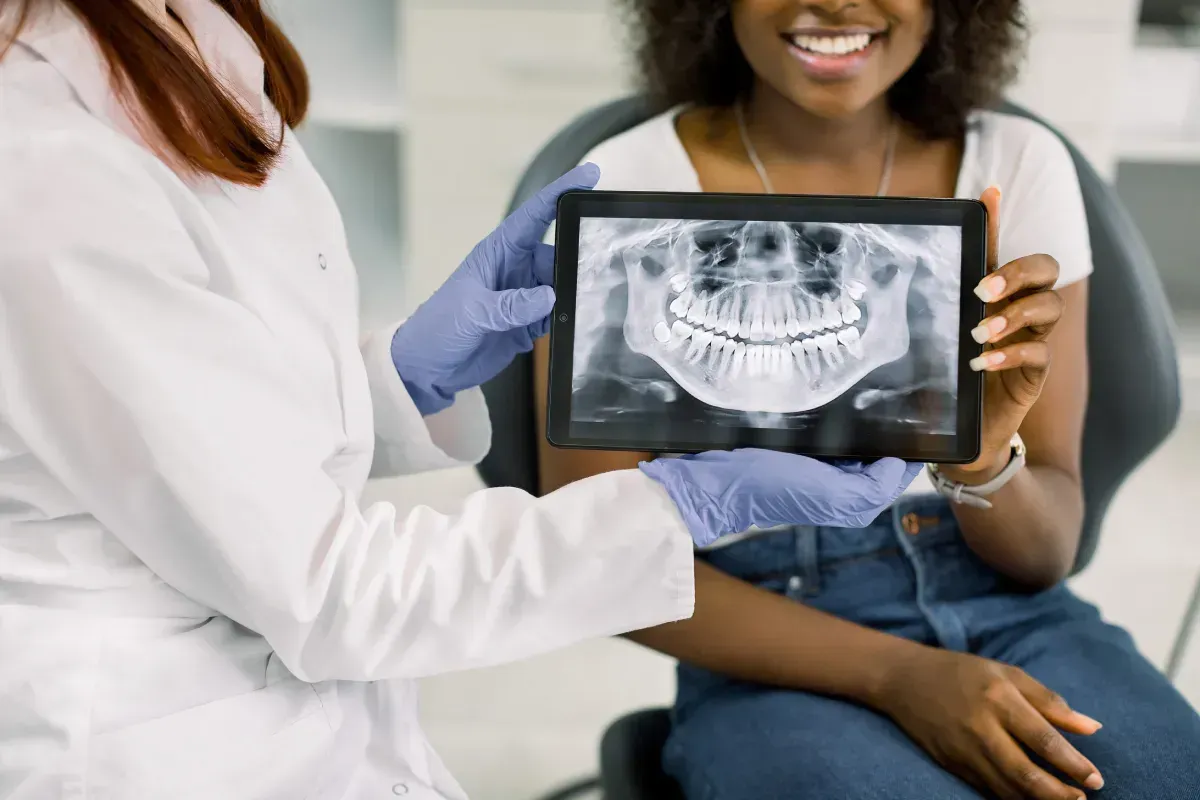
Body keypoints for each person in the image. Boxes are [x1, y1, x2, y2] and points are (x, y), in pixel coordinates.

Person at [0, 1, 928, 798]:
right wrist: (680, 504)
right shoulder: (50, 162)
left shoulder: (188, 34)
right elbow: (328, 588)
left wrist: (398, 380)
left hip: (279, 695)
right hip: (153, 735)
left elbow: (205, 421)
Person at [533, 1, 1200, 799]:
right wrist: (900, 675)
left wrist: (982, 461)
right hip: (763, 629)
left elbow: (1047, 552)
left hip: (1009, 604)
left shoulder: (1018, 162)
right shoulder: (619, 184)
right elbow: (596, 560)